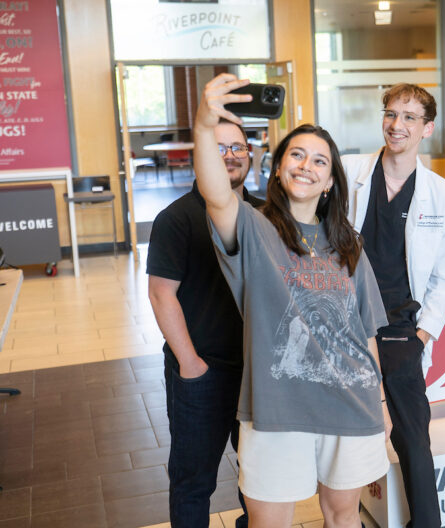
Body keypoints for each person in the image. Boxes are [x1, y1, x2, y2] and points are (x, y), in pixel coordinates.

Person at [193, 73, 391, 528]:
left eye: (320, 161)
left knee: (343, 517)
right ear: (279, 168)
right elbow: (215, 194)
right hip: (275, 410)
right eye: (297, 155)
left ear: (330, 181)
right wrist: (204, 126)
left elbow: (366, 334)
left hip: (351, 401)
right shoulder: (252, 227)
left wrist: (381, 403)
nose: (307, 166)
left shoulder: (349, 245)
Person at [342, 84, 445, 528]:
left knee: (413, 437)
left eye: (410, 117)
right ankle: (344, 519)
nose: (397, 125)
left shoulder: (442, 195)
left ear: (427, 128)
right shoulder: (349, 173)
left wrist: (422, 335)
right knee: (345, 436)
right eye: (391, 114)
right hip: (346, 325)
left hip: (401, 330)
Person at [147, 119, 261, 528]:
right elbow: (161, 295)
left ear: (250, 154)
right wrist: (190, 364)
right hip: (203, 372)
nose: (230, 156)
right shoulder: (176, 218)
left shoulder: (265, 213)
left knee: (260, 478)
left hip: (258, 374)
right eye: (218, 148)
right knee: (193, 482)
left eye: (237, 147)